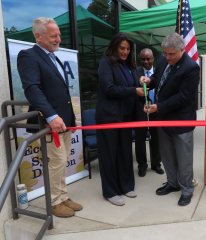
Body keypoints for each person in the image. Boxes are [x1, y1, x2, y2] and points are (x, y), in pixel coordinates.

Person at [17, 17, 82, 218]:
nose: (59, 39)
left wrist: (70, 119)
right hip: (50, 123)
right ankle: (54, 202)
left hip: (65, 122)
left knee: (63, 161)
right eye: (54, 35)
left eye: (59, 35)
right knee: (57, 161)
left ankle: (63, 196)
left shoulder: (55, 58)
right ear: (38, 36)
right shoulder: (28, 56)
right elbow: (32, 89)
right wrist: (51, 116)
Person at [141, 33, 200, 206]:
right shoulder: (163, 60)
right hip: (163, 119)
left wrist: (158, 107)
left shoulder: (191, 68)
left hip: (181, 121)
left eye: (171, 54)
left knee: (184, 158)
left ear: (182, 50)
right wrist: (148, 80)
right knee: (167, 155)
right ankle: (173, 183)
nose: (167, 57)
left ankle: (187, 189)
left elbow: (183, 97)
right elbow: (157, 80)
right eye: (165, 53)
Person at [95, 33, 145, 206]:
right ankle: (110, 191)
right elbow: (109, 88)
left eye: (128, 49)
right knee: (109, 155)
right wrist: (133, 91)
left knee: (124, 152)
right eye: (122, 48)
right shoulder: (106, 63)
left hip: (126, 117)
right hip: (109, 117)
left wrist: (141, 83)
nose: (125, 52)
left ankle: (126, 186)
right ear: (115, 47)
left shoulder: (130, 66)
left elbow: (134, 87)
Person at [135, 48, 164, 177]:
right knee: (140, 139)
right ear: (139, 59)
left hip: (156, 110)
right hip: (141, 110)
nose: (146, 61)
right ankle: (142, 165)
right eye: (143, 59)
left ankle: (156, 164)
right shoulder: (135, 73)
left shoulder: (159, 72)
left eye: (149, 58)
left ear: (153, 58)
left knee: (156, 138)